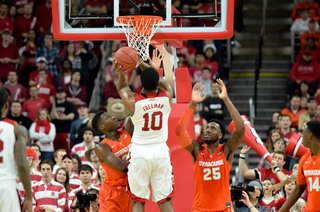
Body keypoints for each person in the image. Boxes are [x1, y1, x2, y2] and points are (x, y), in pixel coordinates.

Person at [115, 49, 175, 211]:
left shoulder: (134, 102)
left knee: (138, 201)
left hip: (140, 152)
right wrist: (141, 64)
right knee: (165, 201)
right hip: (160, 151)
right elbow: (160, 82)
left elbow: (121, 88)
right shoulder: (166, 95)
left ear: (141, 84)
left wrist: (122, 71)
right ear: (158, 82)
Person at [175, 80, 245, 211]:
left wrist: (226, 99)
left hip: (223, 208)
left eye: (213, 129)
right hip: (200, 208)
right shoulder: (197, 149)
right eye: (207, 128)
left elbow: (240, 127)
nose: (207, 130)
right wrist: (193, 104)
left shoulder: (226, 149)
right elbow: (179, 131)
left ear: (220, 136)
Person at [91, 111, 134, 212]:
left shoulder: (126, 131)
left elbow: (133, 112)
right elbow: (122, 167)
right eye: (108, 117)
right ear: (102, 127)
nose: (114, 117)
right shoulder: (102, 147)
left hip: (131, 188)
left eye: (112, 115)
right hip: (113, 193)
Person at [0, 86, 32, 212]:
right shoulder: (16, 128)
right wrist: (29, 197)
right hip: (6, 187)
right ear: (6, 106)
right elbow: (22, 164)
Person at [279, 120, 320, 212]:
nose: (301, 138)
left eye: (303, 134)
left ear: (310, 135)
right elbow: (298, 189)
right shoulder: (305, 158)